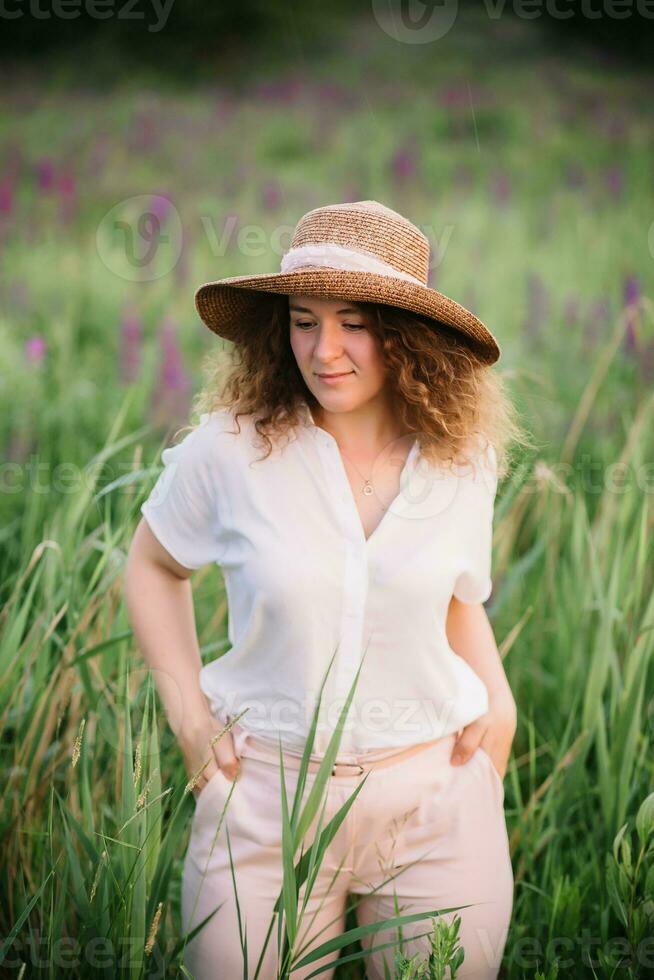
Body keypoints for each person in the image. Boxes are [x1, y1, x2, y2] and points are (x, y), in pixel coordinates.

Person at [124, 200, 524, 979]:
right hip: (265, 806)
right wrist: (188, 719)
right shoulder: (230, 450)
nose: (324, 349)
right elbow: (151, 567)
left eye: (352, 322)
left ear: (406, 336)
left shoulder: (460, 459)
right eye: (304, 321)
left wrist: (498, 702)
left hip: (434, 803)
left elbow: (454, 596)